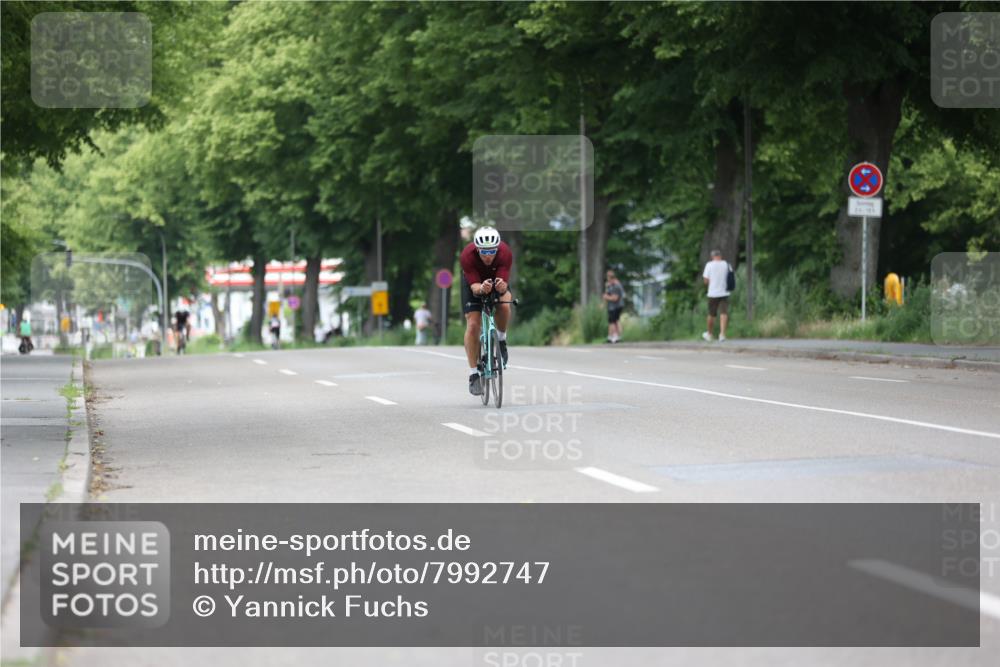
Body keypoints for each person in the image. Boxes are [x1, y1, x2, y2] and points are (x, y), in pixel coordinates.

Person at [460, 226, 514, 396]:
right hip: (474, 284)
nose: (488, 256)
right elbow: (475, 288)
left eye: (492, 251)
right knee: (473, 324)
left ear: (497, 248)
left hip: (496, 280)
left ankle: (501, 339)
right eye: (484, 252)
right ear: (477, 249)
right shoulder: (467, 255)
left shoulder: (505, 253)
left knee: (504, 304)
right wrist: (482, 288)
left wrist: (501, 286)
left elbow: (503, 285)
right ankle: (473, 374)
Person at [702, 249, 731, 342]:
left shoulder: (709, 265)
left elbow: (705, 280)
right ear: (720, 256)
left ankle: (709, 334)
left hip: (713, 293)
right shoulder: (726, 264)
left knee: (711, 314)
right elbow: (730, 276)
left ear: (712, 256)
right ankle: (722, 334)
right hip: (724, 292)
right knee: (724, 313)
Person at [602, 270, 625, 343]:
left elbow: (615, 298)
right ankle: (612, 336)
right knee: (614, 321)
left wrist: (606, 297)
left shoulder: (616, 285)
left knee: (613, 321)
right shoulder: (610, 285)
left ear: (610, 278)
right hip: (612, 306)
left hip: (616, 306)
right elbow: (608, 293)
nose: (607, 279)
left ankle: (615, 336)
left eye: (608, 278)